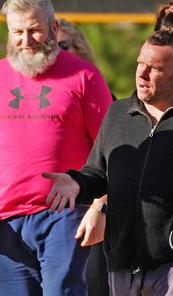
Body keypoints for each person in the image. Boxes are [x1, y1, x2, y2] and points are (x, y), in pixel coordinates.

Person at [44, 29, 173, 296]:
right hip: (121, 262)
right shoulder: (117, 113)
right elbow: (98, 173)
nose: (142, 74)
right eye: (140, 64)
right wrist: (77, 182)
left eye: (154, 68)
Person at [0, 0, 113, 295]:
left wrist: (100, 207)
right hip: (2, 217)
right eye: (17, 31)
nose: (25, 39)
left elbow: (111, 148)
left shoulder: (85, 76)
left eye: (34, 29)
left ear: (53, 29)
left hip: (65, 214)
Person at [57, 18, 111, 296]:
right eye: (49, 45)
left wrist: (98, 208)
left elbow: (114, 158)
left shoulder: (98, 94)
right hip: (48, 217)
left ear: (81, 49)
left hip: (88, 214)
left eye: (62, 45)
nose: (54, 51)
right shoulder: (35, 98)